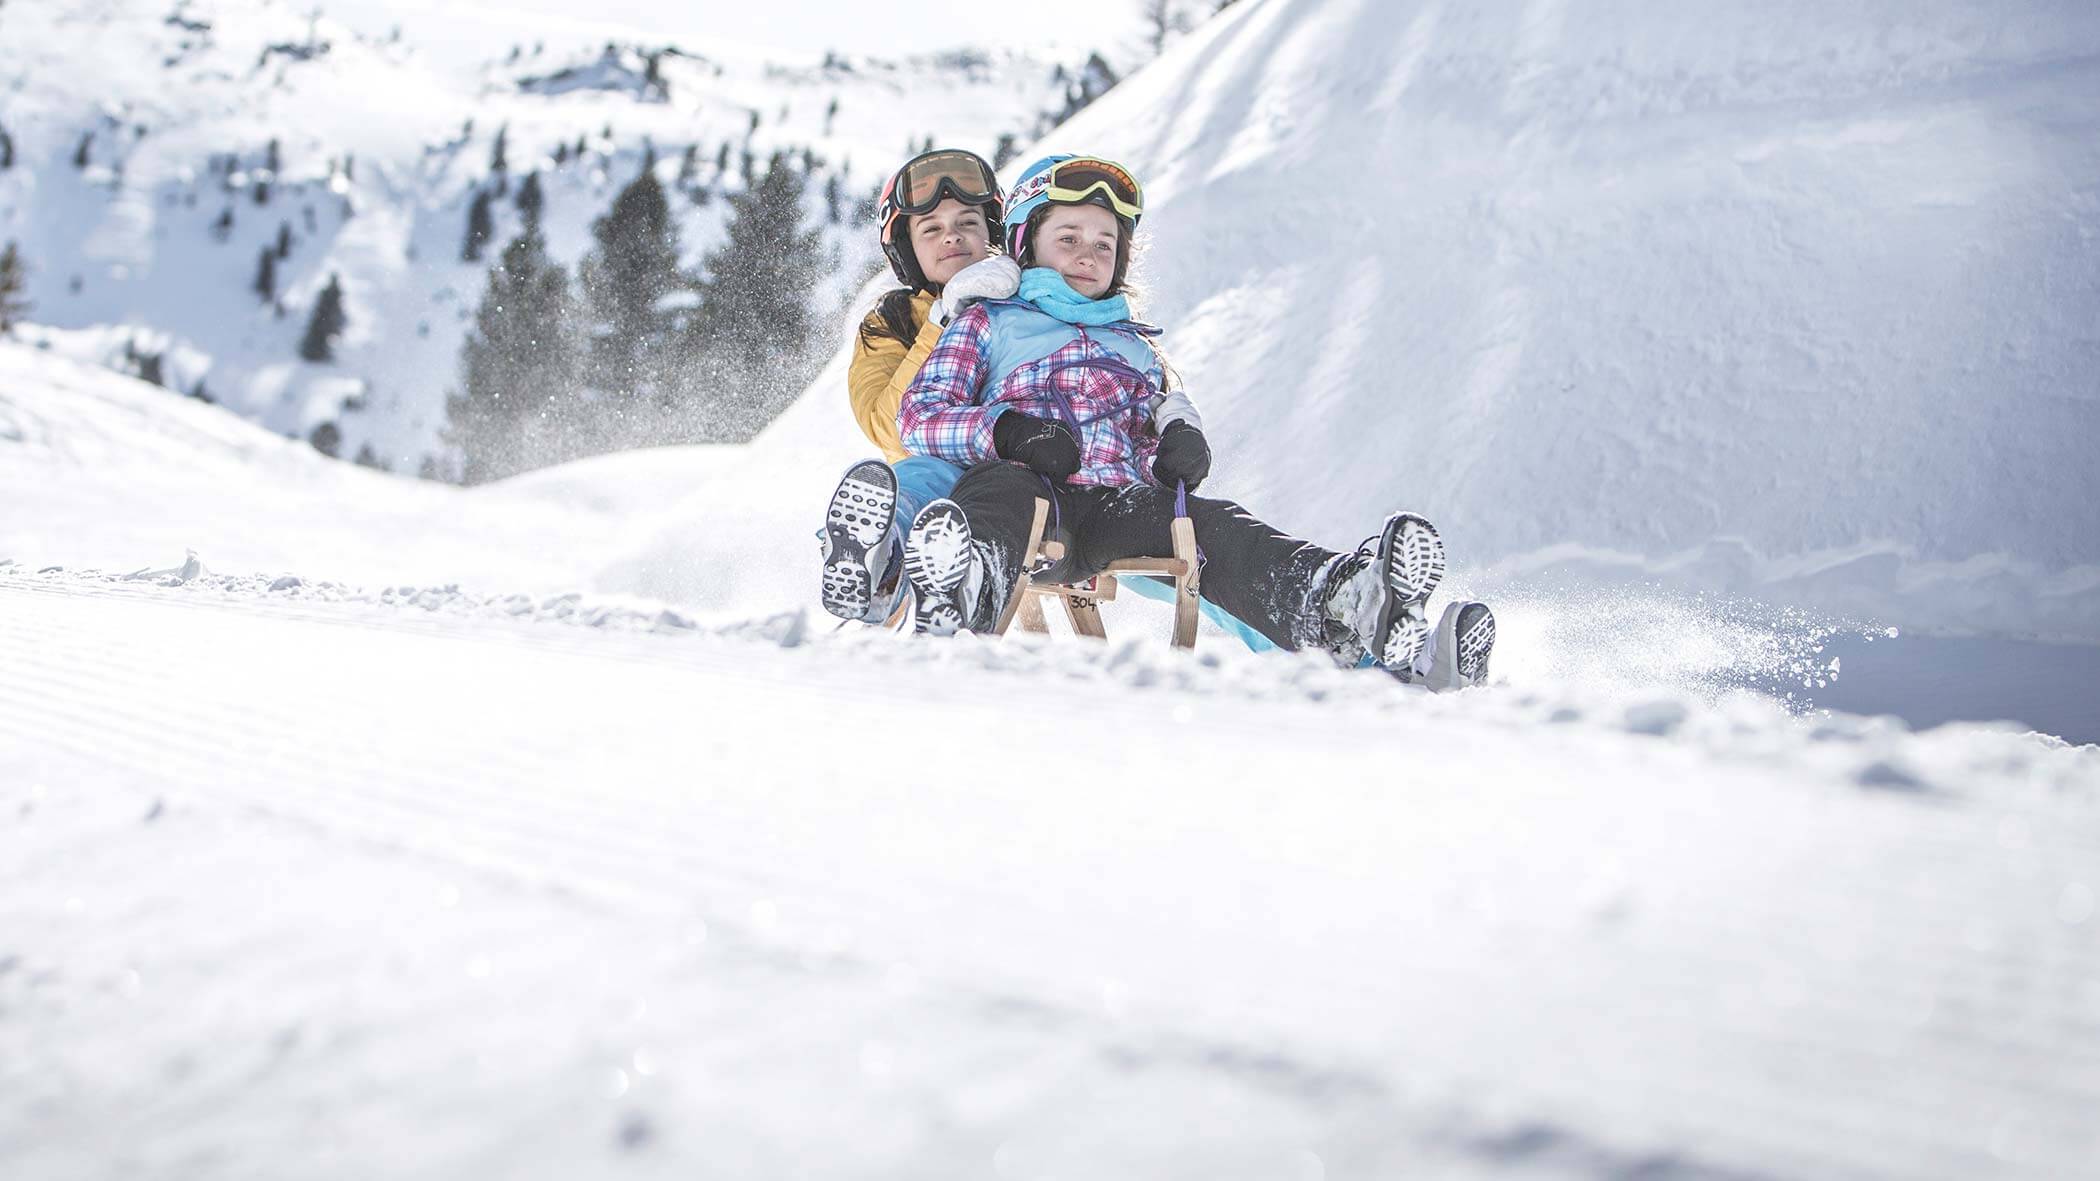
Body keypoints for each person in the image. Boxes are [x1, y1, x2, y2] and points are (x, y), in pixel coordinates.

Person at [895, 154, 1496, 687]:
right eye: (1069, 237)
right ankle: (962, 588)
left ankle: (1347, 603)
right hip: (1028, 496)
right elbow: (919, 416)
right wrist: (1006, 432)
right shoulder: (988, 321)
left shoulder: (1134, 346)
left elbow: (1165, 407)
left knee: (1212, 526)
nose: (1088, 254)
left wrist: (1181, 437)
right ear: (1026, 244)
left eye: (1105, 244)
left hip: (1114, 505)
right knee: (1002, 491)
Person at [820, 148, 1020, 624]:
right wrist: (942, 319)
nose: (952, 235)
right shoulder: (889, 323)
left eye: (968, 222)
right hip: (936, 474)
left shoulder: (1033, 300)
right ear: (908, 248)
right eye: (931, 228)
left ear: (993, 233)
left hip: (1021, 473)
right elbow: (888, 428)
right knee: (914, 478)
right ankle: (875, 566)